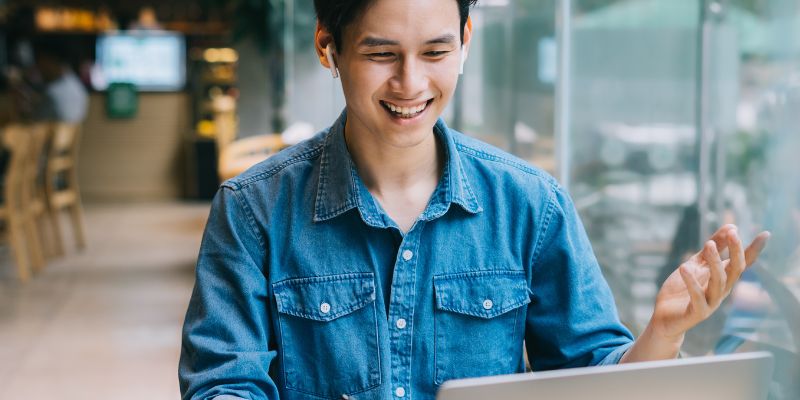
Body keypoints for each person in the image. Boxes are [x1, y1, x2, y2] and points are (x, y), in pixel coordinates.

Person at [178, 1, 770, 399]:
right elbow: (223, 384)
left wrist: (662, 334)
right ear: (327, 46)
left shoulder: (531, 206)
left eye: (435, 53)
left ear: (465, 41)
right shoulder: (253, 210)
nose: (410, 84)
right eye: (381, 55)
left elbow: (594, 383)